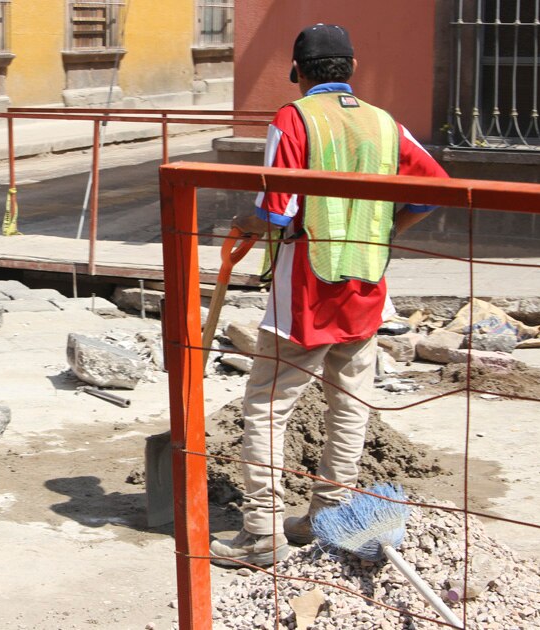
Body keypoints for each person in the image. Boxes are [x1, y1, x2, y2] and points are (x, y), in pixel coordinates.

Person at [209, 24, 448, 568]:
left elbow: (278, 210)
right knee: (350, 406)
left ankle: (262, 531)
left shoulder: (294, 119)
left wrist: (246, 219)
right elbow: (434, 189)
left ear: (298, 72)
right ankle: (326, 516)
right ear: (353, 67)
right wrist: (386, 232)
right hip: (366, 285)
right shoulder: (385, 123)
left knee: (267, 407)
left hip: (307, 291)